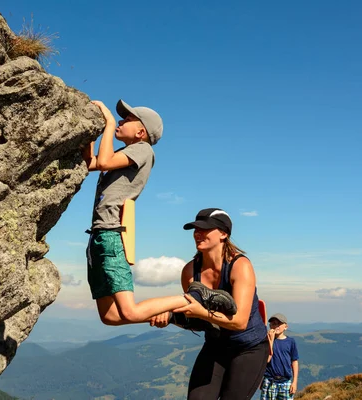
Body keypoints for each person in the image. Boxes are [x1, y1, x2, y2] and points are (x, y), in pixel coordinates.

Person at [82, 101, 236, 326]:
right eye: (121, 119)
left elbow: (103, 161)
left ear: (140, 132)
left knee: (130, 312)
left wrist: (109, 123)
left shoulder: (143, 150)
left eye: (127, 119)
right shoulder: (126, 152)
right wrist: (91, 134)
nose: (122, 121)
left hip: (111, 236)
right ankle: (170, 310)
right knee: (110, 317)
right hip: (97, 237)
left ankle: (196, 298)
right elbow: (91, 163)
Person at [150, 208, 269, 399]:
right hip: (216, 346)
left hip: (249, 347)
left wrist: (201, 312)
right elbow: (198, 321)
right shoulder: (190, 271)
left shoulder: (240, 266)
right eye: (195, 229)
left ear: (223, 233)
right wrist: (171, 318)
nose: (198, 233)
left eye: (205, 229)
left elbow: (240, 322)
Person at [260, 313, 299, 400]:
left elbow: (294, 361)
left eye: (279, 323)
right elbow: (266, 360)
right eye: (273, 323)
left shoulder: (291, 342)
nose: (275, 326)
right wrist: (270, 340)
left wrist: (294, 381)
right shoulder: (265, 341)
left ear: (286, 327)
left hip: (285, 381)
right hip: (270, 380)